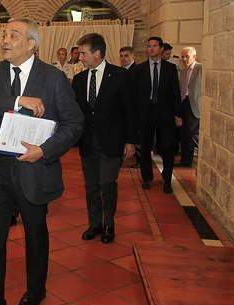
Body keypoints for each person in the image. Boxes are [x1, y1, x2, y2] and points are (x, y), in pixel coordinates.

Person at [0, 18, 83, 305]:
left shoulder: (54, 78)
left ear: (31, 43)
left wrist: (45, 151)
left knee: (35, 232)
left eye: (13, 35)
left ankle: (36, 289)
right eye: (4, 34)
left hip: (34, 167)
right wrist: (17, 101)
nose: (5, 39)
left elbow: (74, 124)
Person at [72, 34, 136, 245]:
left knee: (107, 185)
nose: (80, 56)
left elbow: (130, 111)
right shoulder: (80, 80)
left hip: (112, 142)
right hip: (88, 143)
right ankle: (95, 224)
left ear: (97, 54)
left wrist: (130, 141)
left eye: (83, 53)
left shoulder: (120, 76)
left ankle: (109, 224)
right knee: (91, 187)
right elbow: (77, 112)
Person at [131, 36, 181, 193]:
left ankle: (167, 180)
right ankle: (147, 178)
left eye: (154, 46)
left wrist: (178, 114)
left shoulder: (170, 69)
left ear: (161, 49)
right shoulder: (139, 69)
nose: (151, 48)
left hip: (165, 113)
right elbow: (135, 95)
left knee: (168, 147)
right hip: (145, 114)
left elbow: (175, 93)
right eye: (148, 46)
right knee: (145, 148)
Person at [178, 46, 201, 167]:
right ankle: (185, 160)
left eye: (187, 56)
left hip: (195, 105)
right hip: (184, 103)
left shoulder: (200, 68)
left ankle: (197, 157)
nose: (184, 58)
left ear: (194, 56)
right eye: (182, 56)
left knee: (193, 134)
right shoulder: (183, 70)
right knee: (184, 133)